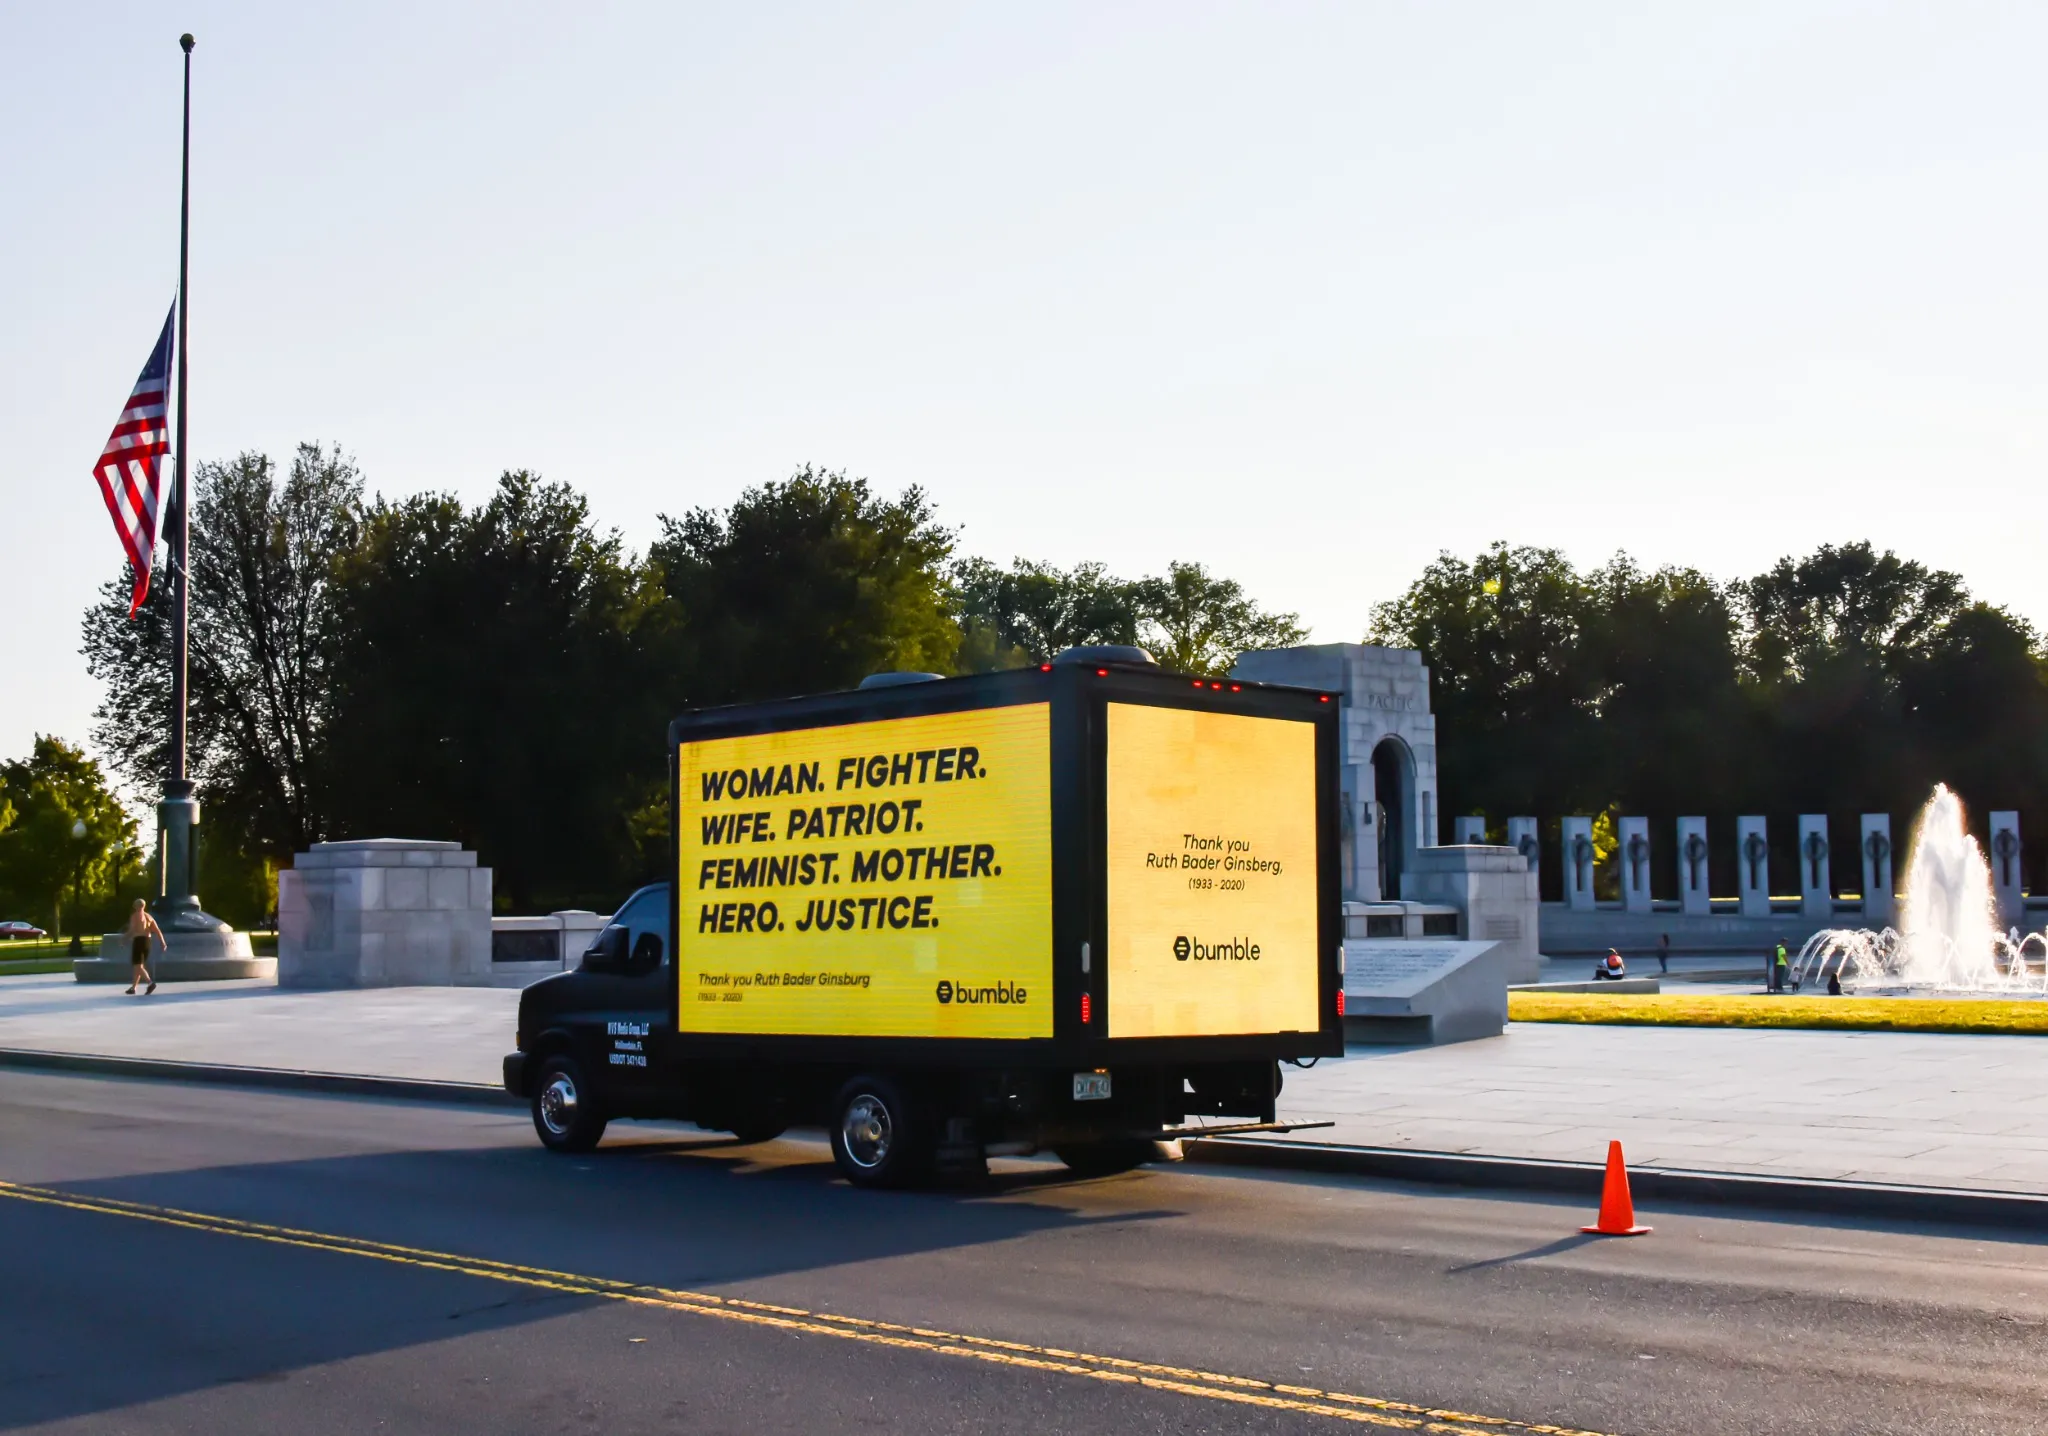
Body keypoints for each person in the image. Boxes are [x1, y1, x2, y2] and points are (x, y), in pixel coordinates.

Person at [123, 900, 164, 996]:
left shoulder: (135, 916)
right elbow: (157, 930)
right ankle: (133, 988)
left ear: (136, 906)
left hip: (139, 941)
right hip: (147, 942)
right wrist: (163, 942)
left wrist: (124, 939)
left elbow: (132, 929)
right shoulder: (149, 917)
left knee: (137, 965)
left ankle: (150, 983)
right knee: (139, 966)